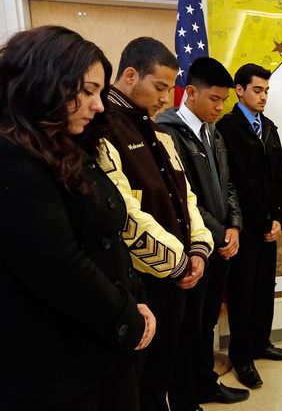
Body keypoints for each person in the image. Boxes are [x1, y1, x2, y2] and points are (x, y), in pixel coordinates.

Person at [0, 25, 155, 411]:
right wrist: (127, 318)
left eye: (99, 93)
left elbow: (109, 234)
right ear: (42, 83)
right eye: (86, 91)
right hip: (55, 366)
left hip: (98, 345)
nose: (99, 105)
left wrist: (136, 300)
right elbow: (59, 265)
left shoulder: (69, 146)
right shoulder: (11, 159)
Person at [97, 37, 214, 411]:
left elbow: (186, 197)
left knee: (168, 364)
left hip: (179, 272)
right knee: (140, 381)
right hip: (141, 279)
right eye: (159, 87)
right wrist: (176, 262)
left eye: (170, 88)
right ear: (131, 75)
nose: (166, 99)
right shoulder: (102, 130)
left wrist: (198, 248)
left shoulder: (158, 131)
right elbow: (125, 213)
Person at [156, 57, 249, 407]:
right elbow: (185, 198)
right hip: (195, 247)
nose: (220, 107)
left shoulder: (213, 131)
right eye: (214, 99)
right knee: (187, 328)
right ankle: (183, 397)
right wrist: (220, 232)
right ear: (190, 92)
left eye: (224, 100)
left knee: (207, 322)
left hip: (221, 243)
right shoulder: (167, 132)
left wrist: (235, 225)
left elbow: (227, 185)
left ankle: (205, 383)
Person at [217, 63, 282, 389]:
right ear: (240, 90)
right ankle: (243, 355)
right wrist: (263, 220)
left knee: (264, 290)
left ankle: (262, 343)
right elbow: (239, 183)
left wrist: (280, 218)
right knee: (243, 294)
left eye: (266, 91)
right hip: (245, 228)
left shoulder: (269, 128)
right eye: (257, 90)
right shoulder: (228, 128)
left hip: (268, 227)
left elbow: (280, 177)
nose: (263, 97)